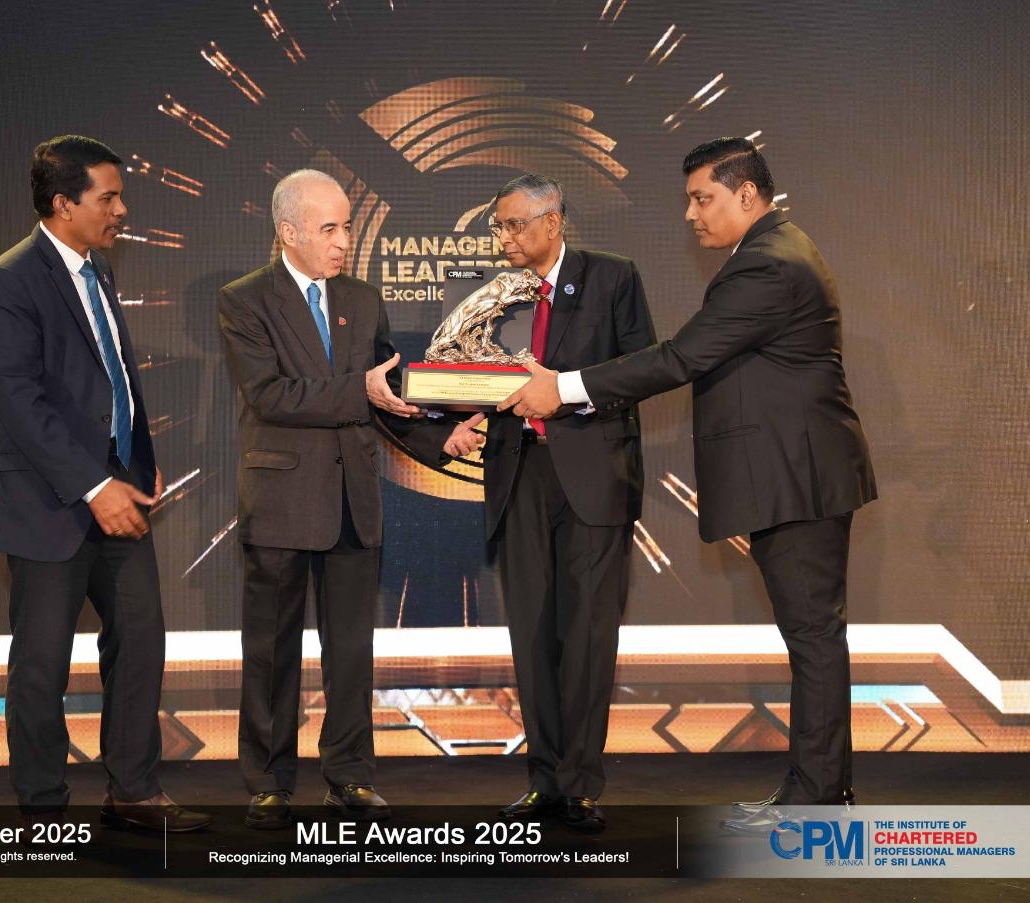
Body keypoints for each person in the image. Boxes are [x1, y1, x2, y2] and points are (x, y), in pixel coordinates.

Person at [500, 138, 877, 830]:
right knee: (814, 636)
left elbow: (682, 357)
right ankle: (825, 789)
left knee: (813, 637)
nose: (691, 214)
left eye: (703, 198)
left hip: (799, 479)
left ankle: (819, 796)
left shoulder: (768, 263)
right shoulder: (775, 251)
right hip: (801, 476)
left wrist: (564, 387)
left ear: (747, 194)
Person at [0, 135, 210, 832]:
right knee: (42, 661)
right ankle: (43, 809)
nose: (121, 210)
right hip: (49, 500)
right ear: (62, 203)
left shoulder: (98, 269)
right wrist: (92, 485)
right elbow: (19, 401)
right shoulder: (10, 279)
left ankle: (132, 792)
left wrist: (138, 457)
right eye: (108, 198)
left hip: (119, 488)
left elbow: (115, 376)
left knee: (139, 639)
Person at [218, 169, 444, 829]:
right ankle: (269, 781)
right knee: (271, 649)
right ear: (288, 232)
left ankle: (349, 776)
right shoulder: (244, 301)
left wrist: (441, 439)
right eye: (329, 229)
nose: (344, 240)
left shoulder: (363, 300)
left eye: (346, 226)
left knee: (350, 651)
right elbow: (271, 396)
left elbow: (387, 395)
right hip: (281, 499)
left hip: (352, 499)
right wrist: (359, 392)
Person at [439, 173, 657, 833]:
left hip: (593, 474)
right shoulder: (495, 295)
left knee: (587, 633)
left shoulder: (612, 277)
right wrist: (464, 406)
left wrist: (564, 392)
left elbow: (641, 369)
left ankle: (580, 784)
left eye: (514, 224)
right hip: (519, 474)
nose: (503, 237)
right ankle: (543, 781)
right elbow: (479, 373)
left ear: (553, 221)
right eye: (498, 226)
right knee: (531, 634)